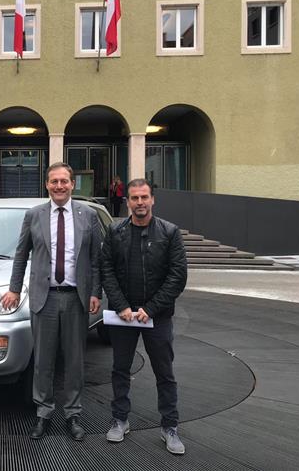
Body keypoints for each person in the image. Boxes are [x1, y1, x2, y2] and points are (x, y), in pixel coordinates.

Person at [1, 162, 102, 441]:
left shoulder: (88, 215)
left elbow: (96, 260)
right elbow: (21, 255)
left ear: (72, 184)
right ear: (47, 185)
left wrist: (95, 292)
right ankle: (43, 413)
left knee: (74, 361)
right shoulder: (34, 215)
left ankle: (72, 414)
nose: (59, 186)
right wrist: (13, 289)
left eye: (64, 181)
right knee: (43, 362)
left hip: (76, 299)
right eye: (54, 181)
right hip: (43, 300)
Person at [101, 178, 188, 455]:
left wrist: (150, 308)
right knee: (120, 369)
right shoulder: (115, 232)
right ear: (127, 201)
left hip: (157, 317)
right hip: (124, 317)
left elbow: (177, 276)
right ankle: (120, 419)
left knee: (165, 372)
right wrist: (122, 305)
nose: (140, 202)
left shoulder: (170, 232)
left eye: (144, 197)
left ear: (152, 200)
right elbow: (107, 271)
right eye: (134, 198)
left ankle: (170, 426)